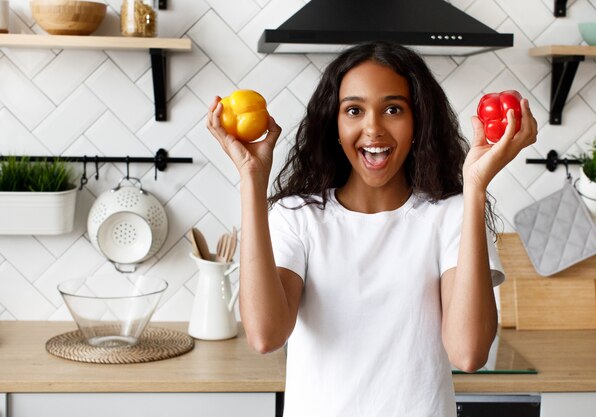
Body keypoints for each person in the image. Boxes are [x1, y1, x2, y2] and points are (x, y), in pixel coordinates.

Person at [206, 41, 537, 417]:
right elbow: (265, 336)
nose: (373, 128)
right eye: (354, 110)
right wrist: (252, 178)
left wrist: (475, 186)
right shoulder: (297, 216)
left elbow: (469, 352)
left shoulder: (451, 214)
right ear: (335, 123)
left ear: (418, 123)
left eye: (393, 109)